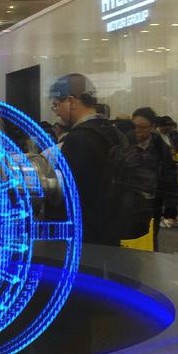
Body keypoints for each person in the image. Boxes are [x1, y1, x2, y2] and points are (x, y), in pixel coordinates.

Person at [48, 73, 125, 247]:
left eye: (56, 105)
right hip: (110, 229)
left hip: (83, 236)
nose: (57, 112)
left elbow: (67, 193)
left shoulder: (78, 138)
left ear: (71, 101)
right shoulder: (115, 133)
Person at [130, 107, 178, 247]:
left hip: (152, 204)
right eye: (135, 126)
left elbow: (170, 178)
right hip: (128, 202)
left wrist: (171, 208)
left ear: (152, 127)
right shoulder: (124, 143)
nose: (137, 131)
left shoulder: (161, 148)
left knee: (150, 238)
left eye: (142, 127)